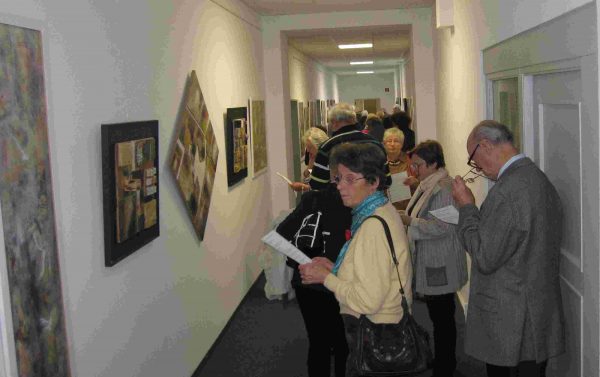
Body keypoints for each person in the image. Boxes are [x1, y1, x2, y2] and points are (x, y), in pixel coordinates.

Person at [451, 120, 565, 377]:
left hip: (510, 318)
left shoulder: (507, 191)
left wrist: (467, 208)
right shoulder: (537, 178)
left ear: (486, 145)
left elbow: (484, 256)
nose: (477, 168)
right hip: (534, 309)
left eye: (474, 159)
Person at [299, 142, 412, 377]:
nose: (340, 186)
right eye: (339, 178)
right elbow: (371, 271)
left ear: (373, 182)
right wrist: (335, 268)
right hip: (384, 323)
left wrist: (327, 278)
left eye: (350, 179)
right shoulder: (379, 210)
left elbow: (367, 301)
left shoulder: (372, 226)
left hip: (377, 333)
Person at [400, 140, 467, 377]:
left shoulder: (443, 188)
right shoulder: (427, 184)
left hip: (440, 261)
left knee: (443, 318)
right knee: (438, 315)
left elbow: (443, 227)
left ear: (433, 163)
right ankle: (442, 359)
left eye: (417, 165)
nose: (413, 170)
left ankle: (445, 365)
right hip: (432, 258)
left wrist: (409, 222)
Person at [290, 127, 329, 193]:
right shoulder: (316, 159)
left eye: (310, 147)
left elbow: (321, 188)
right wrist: (310, 165)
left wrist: (303, 187)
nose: (308, 150)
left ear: (319, 146)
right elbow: (307, 176)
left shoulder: (326, 162)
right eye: (307, 147)